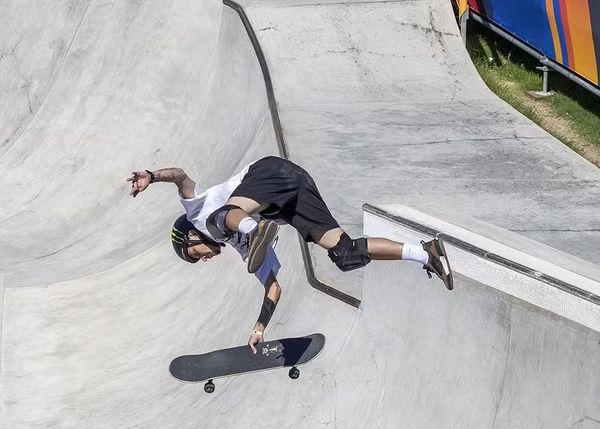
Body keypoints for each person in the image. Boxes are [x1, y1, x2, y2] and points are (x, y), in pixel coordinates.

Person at [127, 156, 453, 352]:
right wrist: (259, 327)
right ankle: (426, 254)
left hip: (266, 174)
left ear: (190, 235)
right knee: (345, 254)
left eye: (195, 254)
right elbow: (273, 287)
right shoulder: (242, 252)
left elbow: (180, 175)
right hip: (296, 194)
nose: (204, 257)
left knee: (218, 221)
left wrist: (152, 177)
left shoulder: (195, 211)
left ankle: (253, 228)